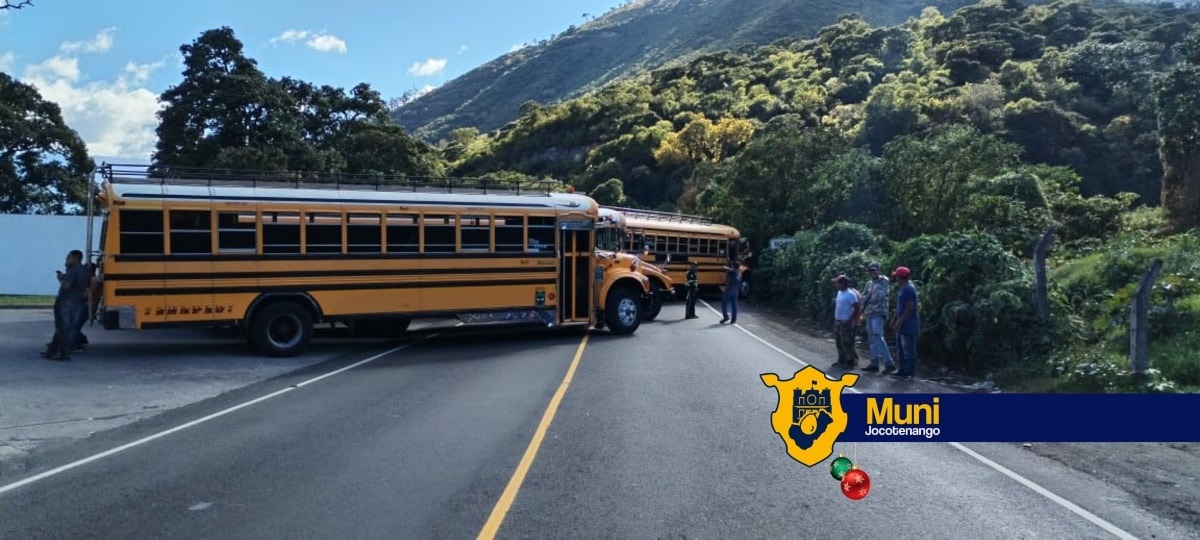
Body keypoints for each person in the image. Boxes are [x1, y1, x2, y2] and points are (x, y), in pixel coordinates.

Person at [42, 250, 90, 361]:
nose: (66, 260)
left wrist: (61, 278)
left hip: (65, 301)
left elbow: (67, 286)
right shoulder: (85, 271)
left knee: (62, 328)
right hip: (76, 303)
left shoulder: (73, 271)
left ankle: (63, 353)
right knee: (64, 328)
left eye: (68, 258)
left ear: (74, 258)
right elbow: (85, 287)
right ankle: (52, 351)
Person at [860, 262, 896, 374]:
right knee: (871, 338)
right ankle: (874, 363)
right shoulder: (869, 284)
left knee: (878, 336)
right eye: (870, 271)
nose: (872, 272)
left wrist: (868, 297)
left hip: (879, 312)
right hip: (869, 313)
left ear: (878, 271)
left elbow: (879, 296)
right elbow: (863, 297)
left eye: (874, 270)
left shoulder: (884, 281)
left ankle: (889, 363)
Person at [891, 266, 920, 380]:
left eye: (897, 276)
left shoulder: (908, 289)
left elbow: (909, 308)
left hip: (908, 324)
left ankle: (909, 372)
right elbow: (900, 307)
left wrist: (899, 322)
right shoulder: (903, 288)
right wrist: (895, 319)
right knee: (901, 349)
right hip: (902, 323)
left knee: (908, 350)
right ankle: (902, 369)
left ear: (900, 277)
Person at [830, 275, 861, 369]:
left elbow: (856, 307)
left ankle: (850, 362)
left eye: (837, 283)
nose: (836, 285)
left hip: (845, 321)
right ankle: (841, 361)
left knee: (847, 343)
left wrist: (850, 319)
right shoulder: (839, 292)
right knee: (839, 342)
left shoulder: (851, 294)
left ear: (843, 284)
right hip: (838, 320)